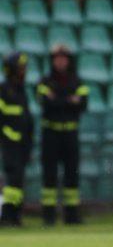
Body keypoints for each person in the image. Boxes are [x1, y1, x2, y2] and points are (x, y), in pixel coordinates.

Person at [36, 44, 88, 225]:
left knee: (71, 175)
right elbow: (46, 104)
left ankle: (72, 217)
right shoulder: (44, 81)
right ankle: (48, 217)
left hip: (70, 134)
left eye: (63, 58)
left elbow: (82, 104)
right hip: (50, 133)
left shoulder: (77, 81)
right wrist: (69, 100)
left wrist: (57, 99)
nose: (60, 61)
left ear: (68, 60)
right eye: (57, 58)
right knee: (49, 175)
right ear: (52, 60)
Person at [0, 52, 32, 227]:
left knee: (18, 180)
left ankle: (16, 215)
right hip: (10, 144)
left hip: (22, 144)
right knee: (12, 180)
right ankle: (7, 216)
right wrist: (9, 136)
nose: (24, 71)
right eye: (21, 68)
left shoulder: (21, 89)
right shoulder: (3, 89)